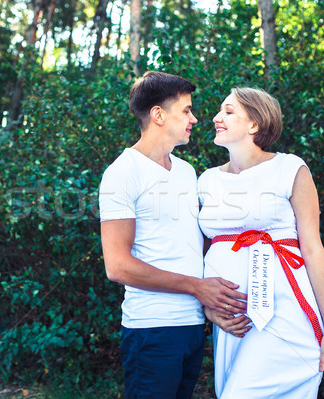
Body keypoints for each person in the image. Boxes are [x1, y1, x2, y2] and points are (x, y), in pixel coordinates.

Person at [99, 71, 248, 399]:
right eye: (186, 110)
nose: (195, 119)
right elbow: (118, 267)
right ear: (158, 115)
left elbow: (190, 247)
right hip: (151, 330)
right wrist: (198, 288)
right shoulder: (122, 174)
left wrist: (207, 304)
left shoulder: (186, 171)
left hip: (193, 327)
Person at [198, 87, 324, 398]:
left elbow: (312, 249)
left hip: (284, 314)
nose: (216, 118)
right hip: (233, 320)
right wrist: (208, 308)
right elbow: (198, 252)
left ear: (254, 124)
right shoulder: (206, 180)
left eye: (228, 111)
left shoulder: (290, 168)